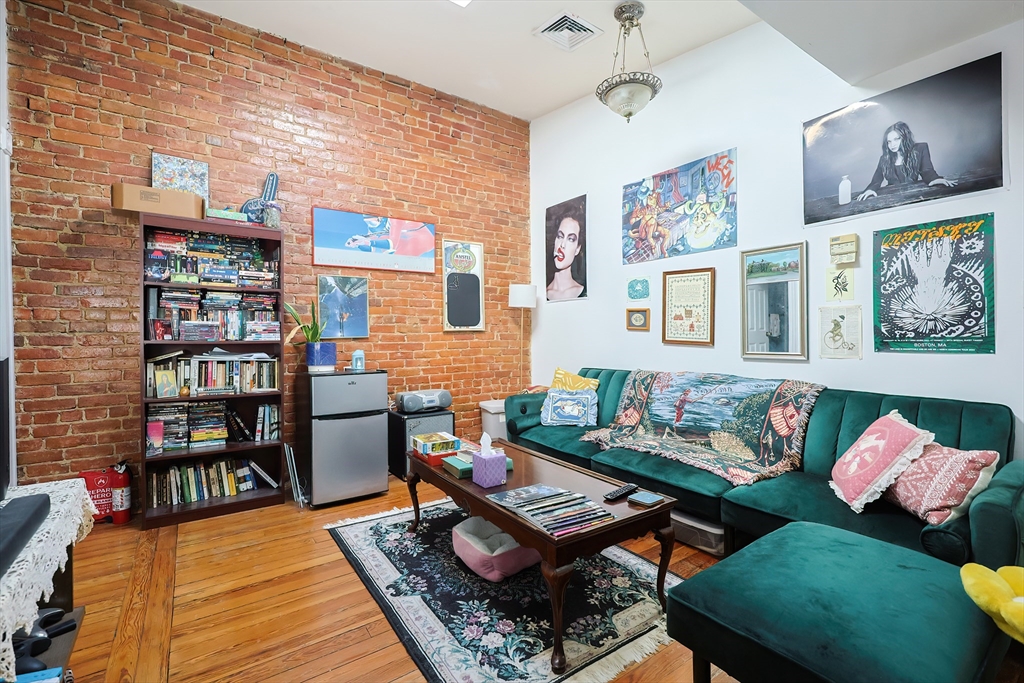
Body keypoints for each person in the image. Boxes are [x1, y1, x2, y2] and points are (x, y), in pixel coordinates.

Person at [857, 121, 957, 201]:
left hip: (915, 195)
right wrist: (870, 190)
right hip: (892, 198)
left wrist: (935, 179)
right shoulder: (884, 159)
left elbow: (927, 171)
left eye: (896, 139)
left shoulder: (920, 149)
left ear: (905, 137)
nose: (892, 145)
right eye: (889, 142)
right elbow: (876, 181)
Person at [546, 199, 587, 301]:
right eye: (560, 236)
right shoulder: (544, 294)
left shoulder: (583, 293)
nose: (562, 245)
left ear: (577, 249)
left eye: (571, 239)